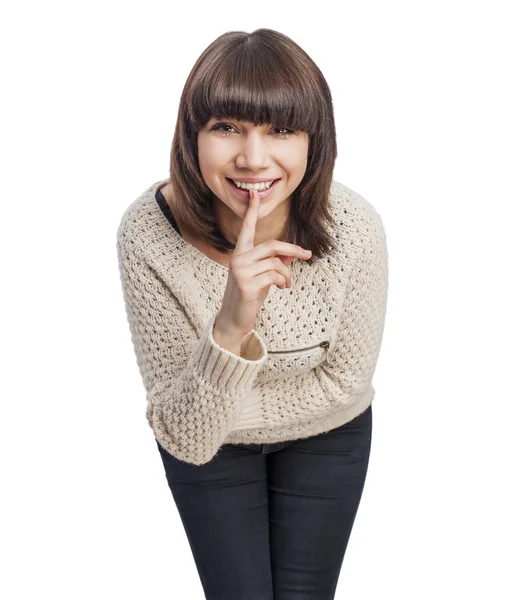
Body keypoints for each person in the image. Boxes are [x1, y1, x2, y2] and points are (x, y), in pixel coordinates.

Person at [116, 28, 388, 600]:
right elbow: (188, 439)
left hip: (328, 438)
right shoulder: (147, 234)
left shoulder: (354, 227)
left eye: (281, 129)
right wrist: (232, 324)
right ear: (192, 135)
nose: (253, 157)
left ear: (316, 140)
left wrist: (220, 393)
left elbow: (345, 382)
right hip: (212, 451)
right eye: (227, 127)